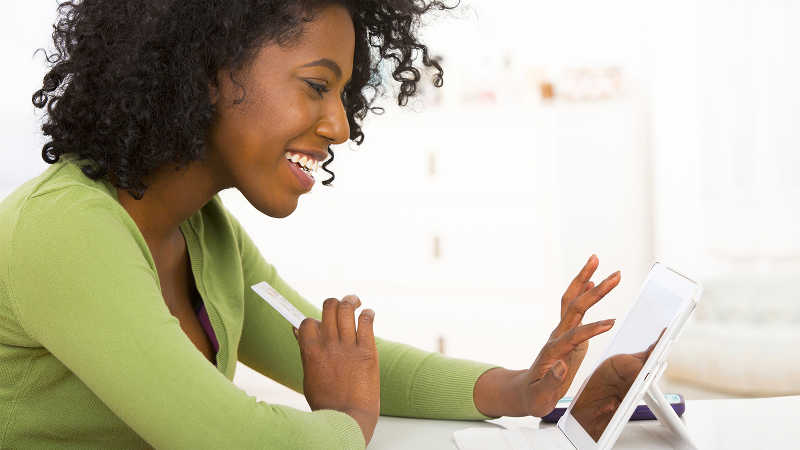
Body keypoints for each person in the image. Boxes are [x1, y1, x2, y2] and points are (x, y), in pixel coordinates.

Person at [0, 1, 621, 448]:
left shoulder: (206, 233)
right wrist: (348, 419)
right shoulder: (66, 231)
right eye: (318, 85)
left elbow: (338, 359)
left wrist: (521, 389)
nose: (339, 126)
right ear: (207, 71)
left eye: (343, 96)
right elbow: (226, 437)